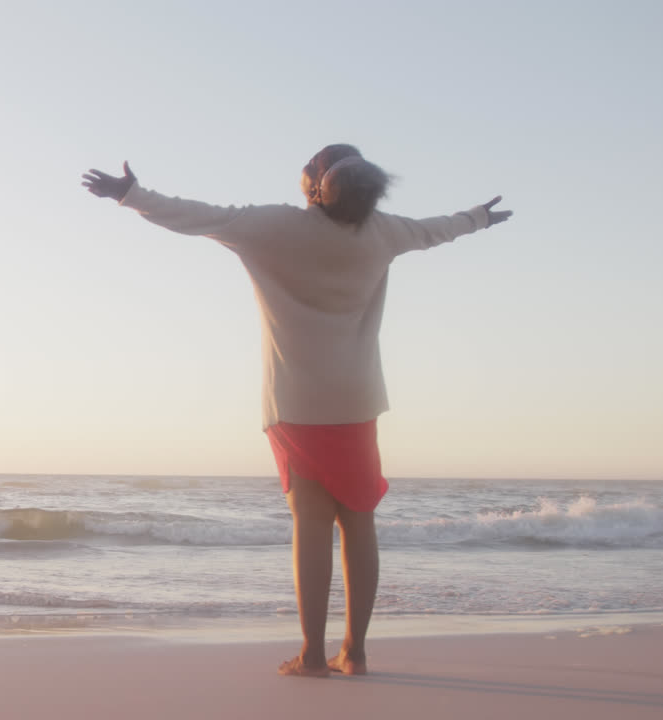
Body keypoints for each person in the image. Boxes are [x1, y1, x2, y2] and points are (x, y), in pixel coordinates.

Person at [82, 145, 511, 678]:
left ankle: (311, 655)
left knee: (311, 522)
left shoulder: (275, 226)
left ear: (315, 185)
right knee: (359, 521)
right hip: (357, 400)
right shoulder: (382, 232)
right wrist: (479, 217)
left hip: (295, 401)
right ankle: (354, 652)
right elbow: (436, 230)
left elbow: (195, 216)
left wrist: (130, 195)